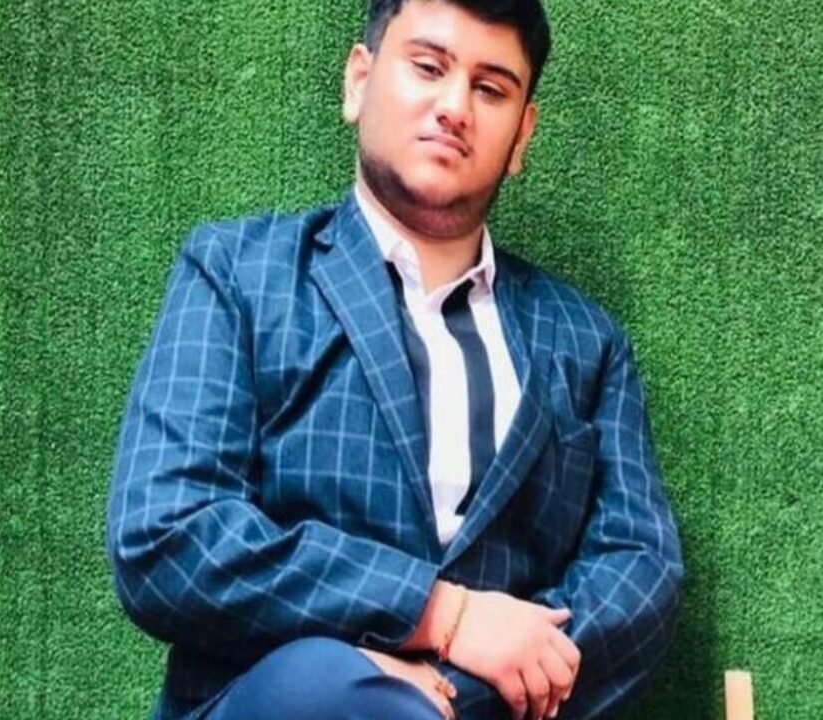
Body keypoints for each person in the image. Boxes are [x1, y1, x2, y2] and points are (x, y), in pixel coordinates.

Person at [105, 1, 684, 718]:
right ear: (359, 81)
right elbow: (167, 537)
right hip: (276, 702)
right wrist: (440, 614)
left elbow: (641, 577)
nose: (455, 107)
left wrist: (446, 694)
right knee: (319, 685)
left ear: (522, 135)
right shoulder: (238, 274)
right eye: (429, 67)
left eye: (490, 88)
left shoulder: (585, 342)